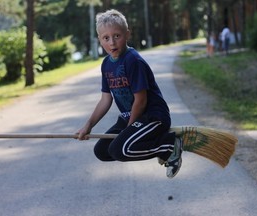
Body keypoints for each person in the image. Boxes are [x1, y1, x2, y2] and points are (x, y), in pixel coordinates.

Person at [76, 9, 183, 178]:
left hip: (152, 117)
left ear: (127, 34)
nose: (112, 43)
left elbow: (141, 100)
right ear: (100, 40)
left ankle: (169, 146)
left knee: (120, 150)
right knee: (102, 151)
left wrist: (129, 130)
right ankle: (158, 145)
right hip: (130, 117)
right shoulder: (106, 64)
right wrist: (89, 125)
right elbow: (105, 99)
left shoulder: (133, 60)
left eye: (117, 36)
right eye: (106, 38)